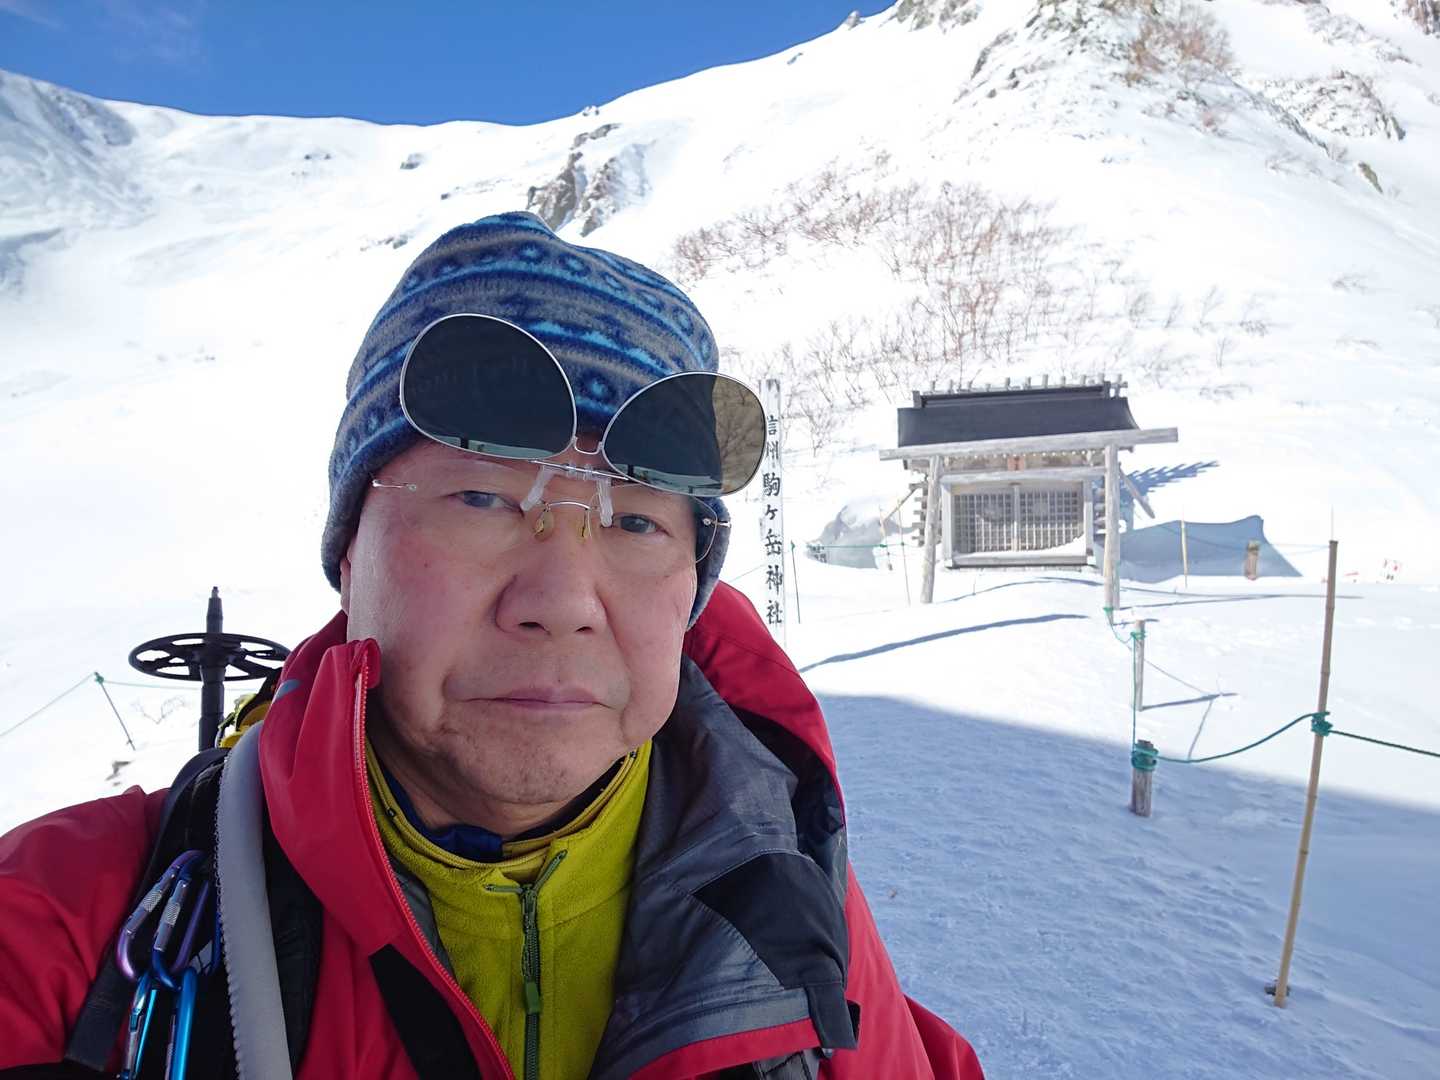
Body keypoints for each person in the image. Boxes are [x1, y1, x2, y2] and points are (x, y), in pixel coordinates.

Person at [0, 212, 984, 1079]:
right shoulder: (66, 927)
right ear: (350, 554)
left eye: (637, 520)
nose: (562, 602)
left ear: (693, 584)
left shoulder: (793, 907)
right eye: (481, 497)